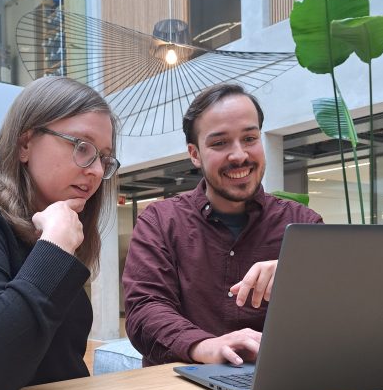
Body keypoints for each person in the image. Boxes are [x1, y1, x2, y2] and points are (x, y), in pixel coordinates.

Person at [0, 76, 120, 390]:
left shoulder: (49, 226)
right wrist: (54, 245)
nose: (95, 170)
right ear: (25, 144)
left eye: (104, 158)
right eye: (82, 147)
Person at [123, 83, 323, 367]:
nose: (239, 155)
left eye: (250, 138)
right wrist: (205, 346)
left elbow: (336, 312)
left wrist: (302, 274)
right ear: (194, 154)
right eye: (219, 143)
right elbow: (145, 310)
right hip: (182, 388)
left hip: (280, 384)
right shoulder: (160, 221)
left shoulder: (304, 223)